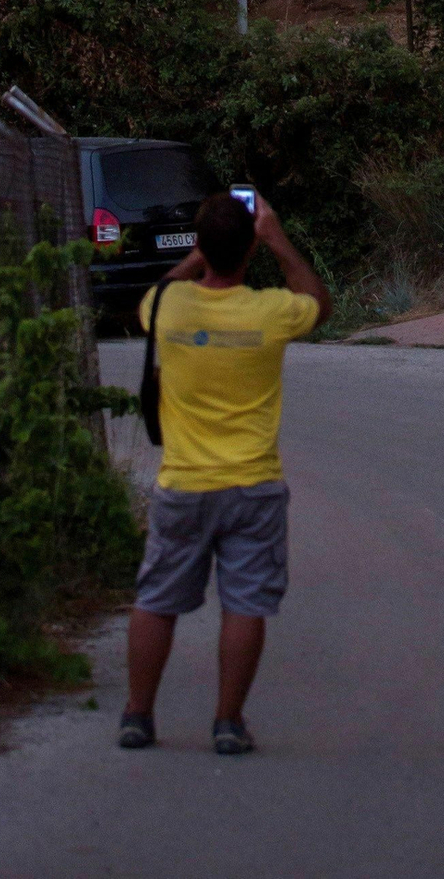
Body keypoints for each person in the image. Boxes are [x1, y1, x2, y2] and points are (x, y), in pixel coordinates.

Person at [119, 188, 332, 756]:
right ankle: (228, 723)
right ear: (250, 250)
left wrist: (196, 254)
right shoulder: (270, 312)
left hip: (183, 484)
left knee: (156, 598)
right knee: (245, 605)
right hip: (253, 485)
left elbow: (156, 292)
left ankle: (138, 715)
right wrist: (278, 238)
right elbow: (318, 302)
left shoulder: (169, 308)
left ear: (202, 247)